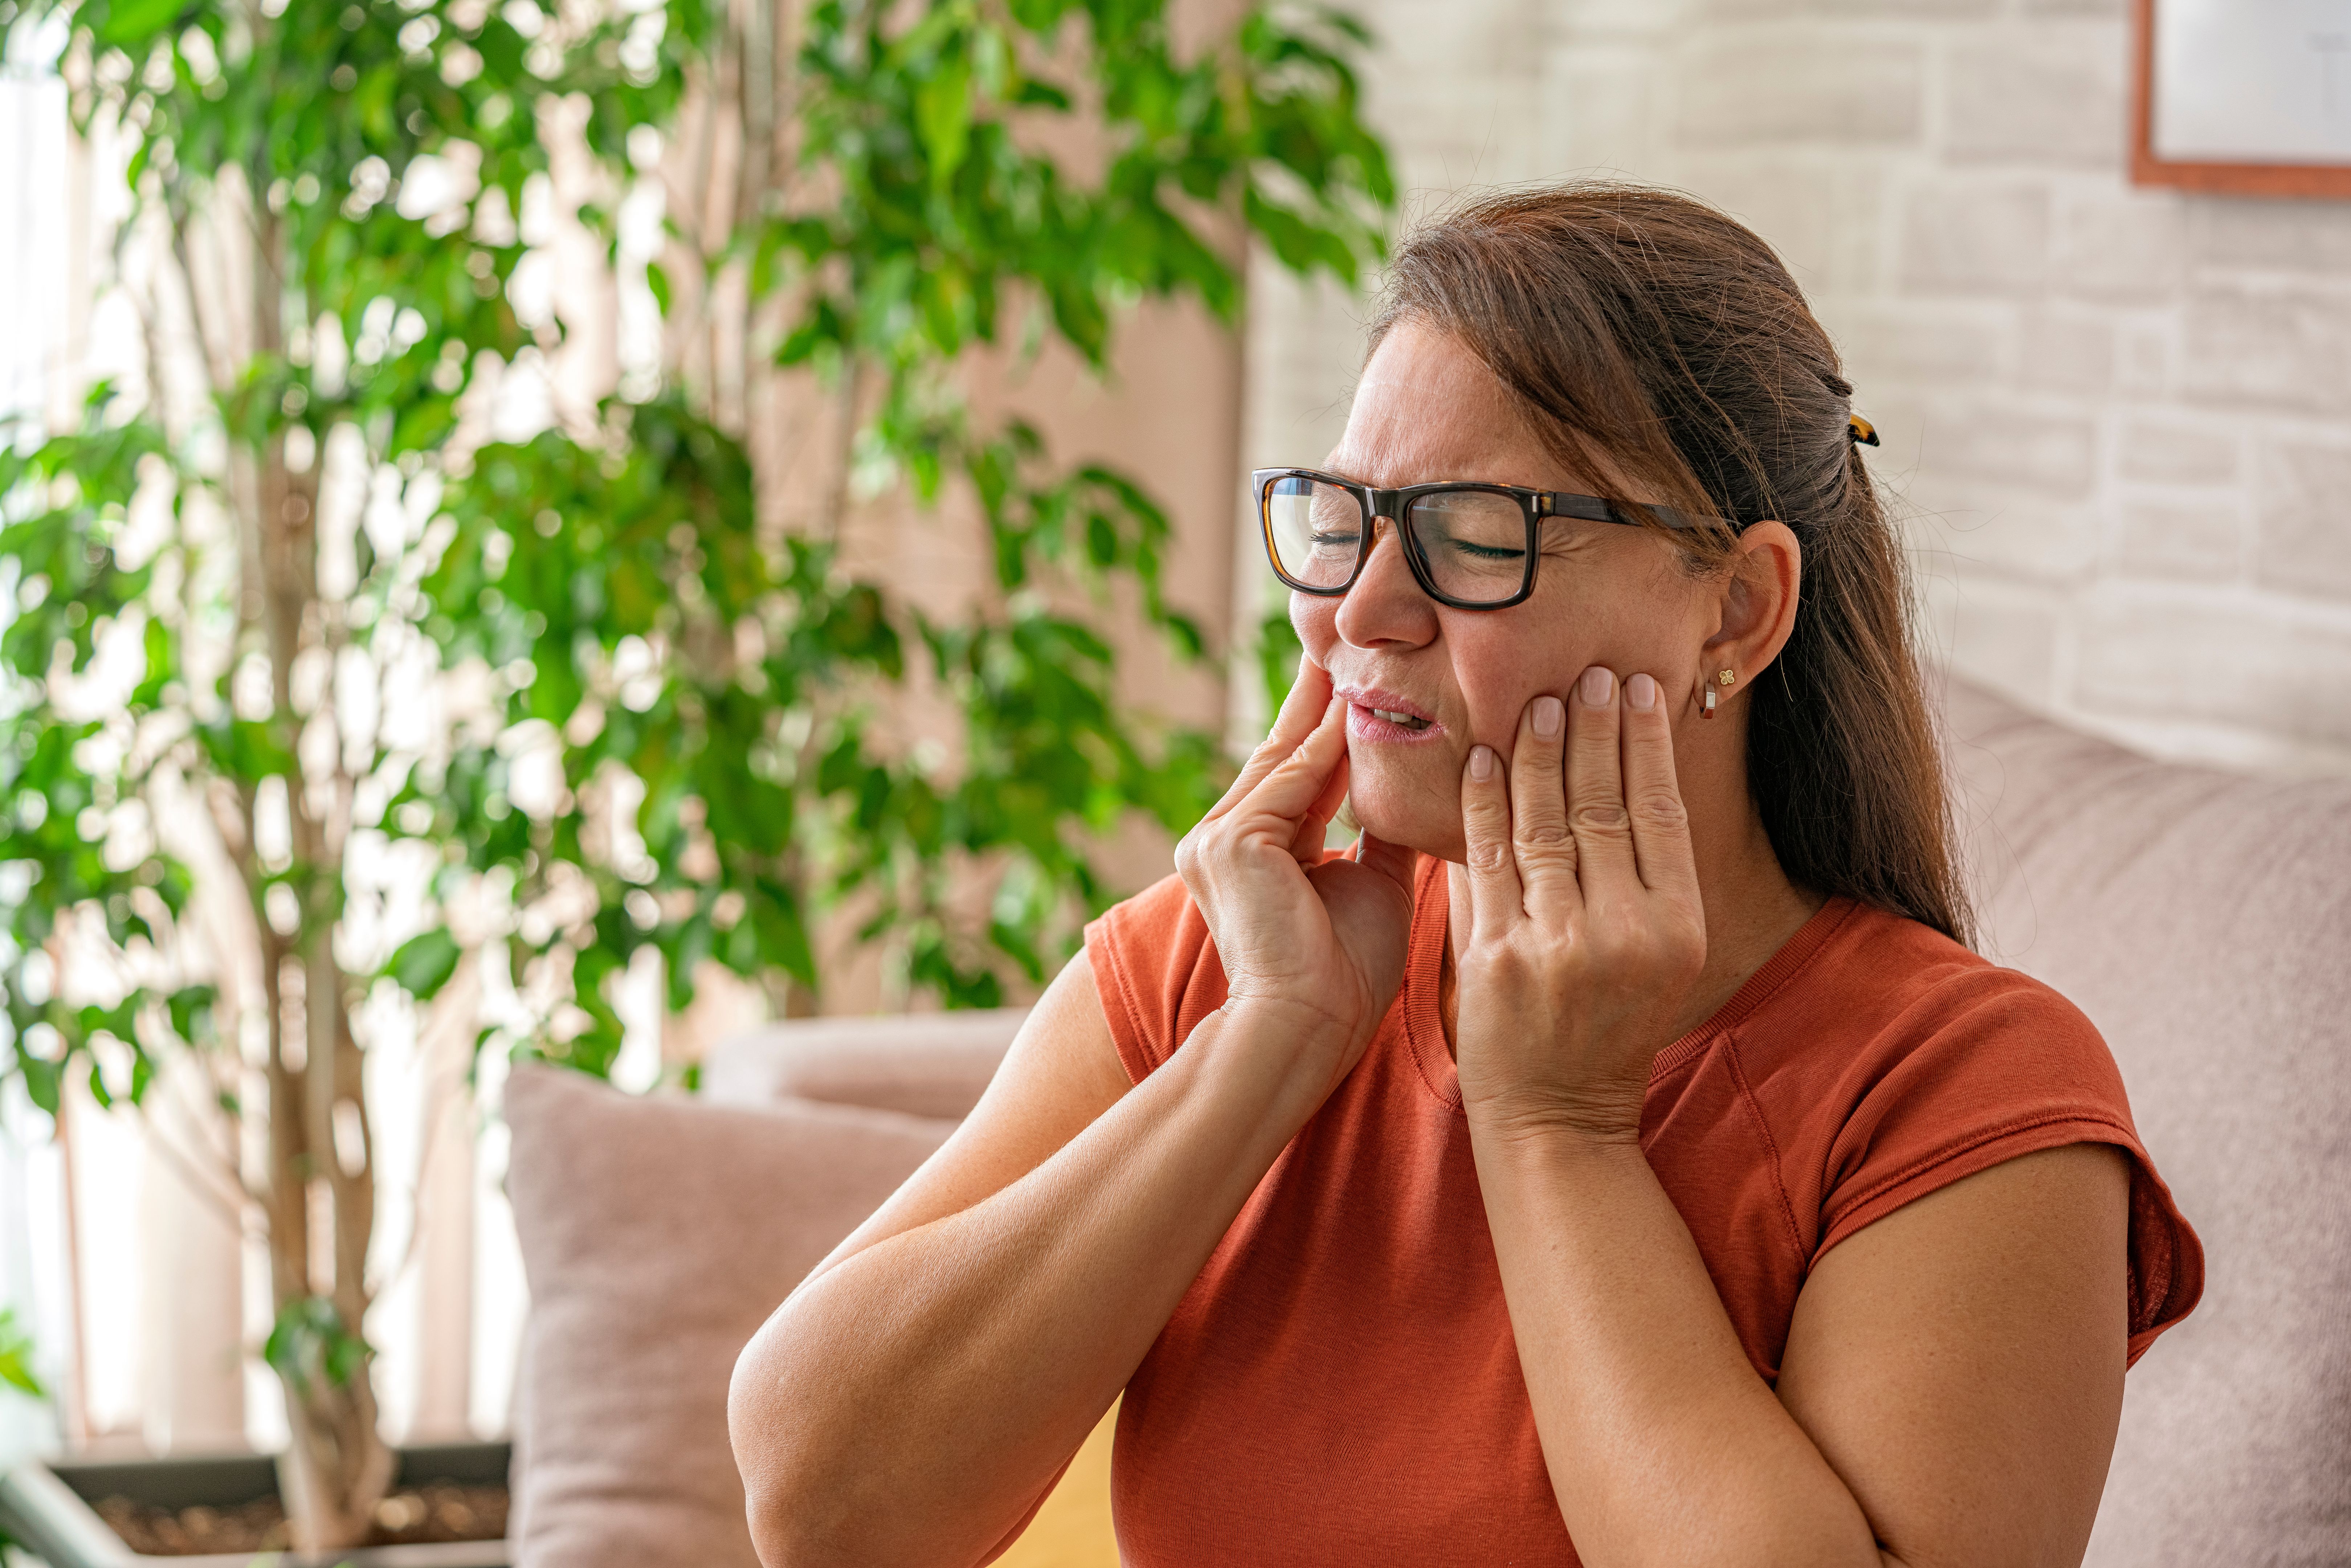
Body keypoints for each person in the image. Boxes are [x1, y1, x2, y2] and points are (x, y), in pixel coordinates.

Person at [727, 183, 2204, 1568]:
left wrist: (1555, 1121)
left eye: (1474, 537)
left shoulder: (1961, 1096)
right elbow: (821, 1504)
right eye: (1347, 518)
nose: (1361, 611)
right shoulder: (1232, 956)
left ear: (1739, 612)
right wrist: (1268, 1045)